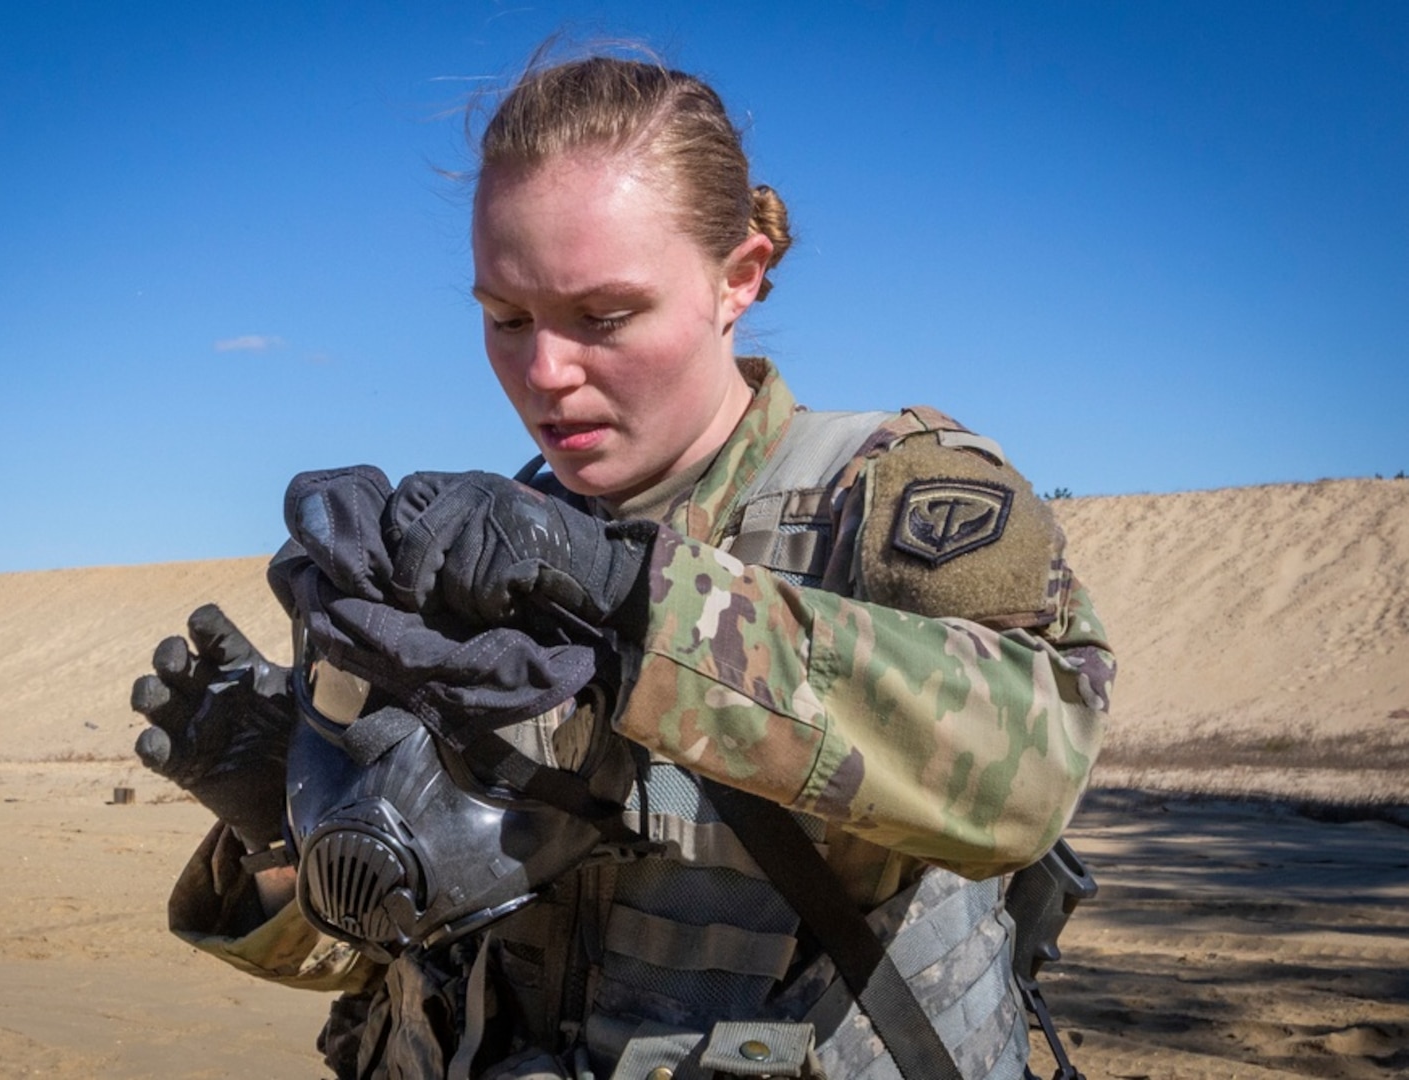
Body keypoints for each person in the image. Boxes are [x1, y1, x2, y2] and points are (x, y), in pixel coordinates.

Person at [132, 48, 1115, 1080]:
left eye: (601, 317)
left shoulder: (878, 500)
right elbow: (404, 951)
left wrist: (624, 601)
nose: (545, 372)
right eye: (505, 318)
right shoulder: (470, 556)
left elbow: (1028, 778)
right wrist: (296, 828)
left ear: (737, 279)